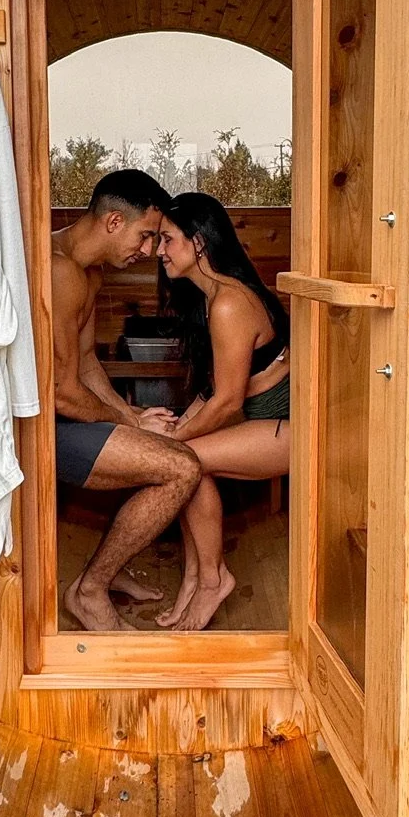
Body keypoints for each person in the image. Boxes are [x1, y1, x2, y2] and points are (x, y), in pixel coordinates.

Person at [51, 170, 202, 631]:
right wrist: (131, 426)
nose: (151, 249)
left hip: (65, 414)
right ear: (114, 221)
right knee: (182, 468)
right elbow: (60, 392)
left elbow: (86, 364)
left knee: (170, 450)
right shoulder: (57, 271)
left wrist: (129, 413)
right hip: (36, 427)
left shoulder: (87, 271)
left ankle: (108, 570)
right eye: (147, 235)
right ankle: (88, 591)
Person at [142, 191, 291, 631]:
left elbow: (227, 402)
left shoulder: (228, 303)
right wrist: (175, 425)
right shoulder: (211, 298)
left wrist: (173, 439)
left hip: (290, 427)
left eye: (168, 240)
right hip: (258, 423)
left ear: (199, 243)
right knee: (179, 460)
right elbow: (212, 392)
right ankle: (195, 578)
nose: (158, 251)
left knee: (185, 461)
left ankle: (213, 579)